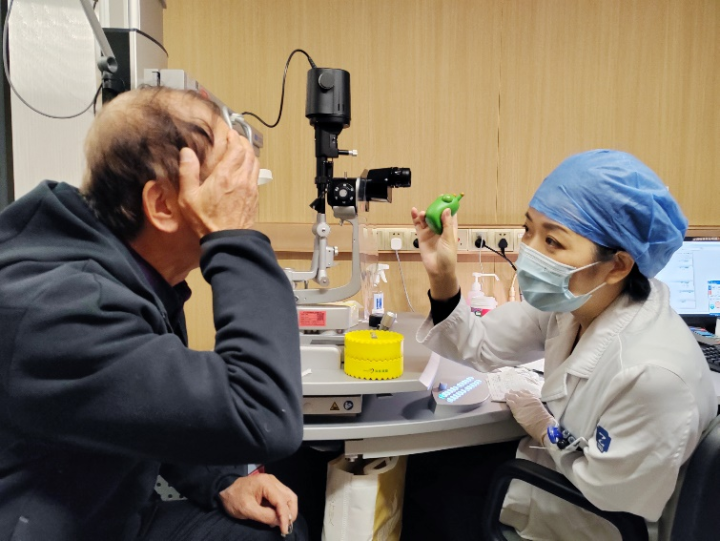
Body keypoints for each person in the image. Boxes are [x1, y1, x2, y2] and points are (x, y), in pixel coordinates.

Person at [0, 87, 308, 540]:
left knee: (273, 530)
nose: (241, 192)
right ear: (162, 204)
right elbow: (264, 414)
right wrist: (235, 240)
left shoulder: (122, 269)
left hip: (111, 512)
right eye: (224, 177)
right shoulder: (64, 310)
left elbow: (134, 402)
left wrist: (220, 480)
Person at [407, 149, 717, 540]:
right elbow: (481, 345)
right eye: (528, 230)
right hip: (557, 473)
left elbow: (608, 492)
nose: (529, 251)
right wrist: (443, 276)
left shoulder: (653, 375)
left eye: (552, 241)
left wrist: (546, 429)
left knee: (423, 493)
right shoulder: (578, 303)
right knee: (426, 466)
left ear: (618, 265)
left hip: (588, 518)